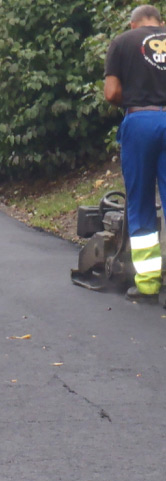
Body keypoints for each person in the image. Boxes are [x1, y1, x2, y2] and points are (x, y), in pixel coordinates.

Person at [105, 5, 166, 301]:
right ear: (161, 22)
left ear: (133, 25)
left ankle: (148, 285)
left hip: (140, 121)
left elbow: (111, 93)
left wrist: (135, 100)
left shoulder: (122, 42)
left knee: (140, 203)